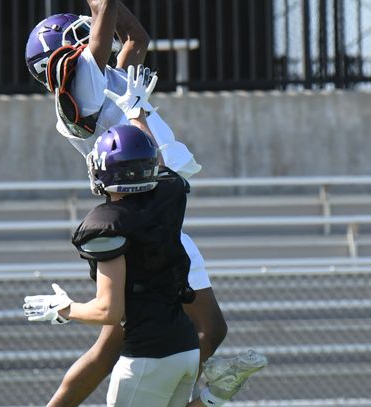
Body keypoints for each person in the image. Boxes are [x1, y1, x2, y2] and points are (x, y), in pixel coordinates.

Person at [24, 2, 267, 406]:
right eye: (79, 33)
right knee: (177, 331)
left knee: (129, 337)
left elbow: (138, 38)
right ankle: (198, 396)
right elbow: (102, 9)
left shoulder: (105, 79)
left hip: (157, 205)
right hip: (144, 213)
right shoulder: (79, 85)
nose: (88, 34)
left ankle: (195, 393)